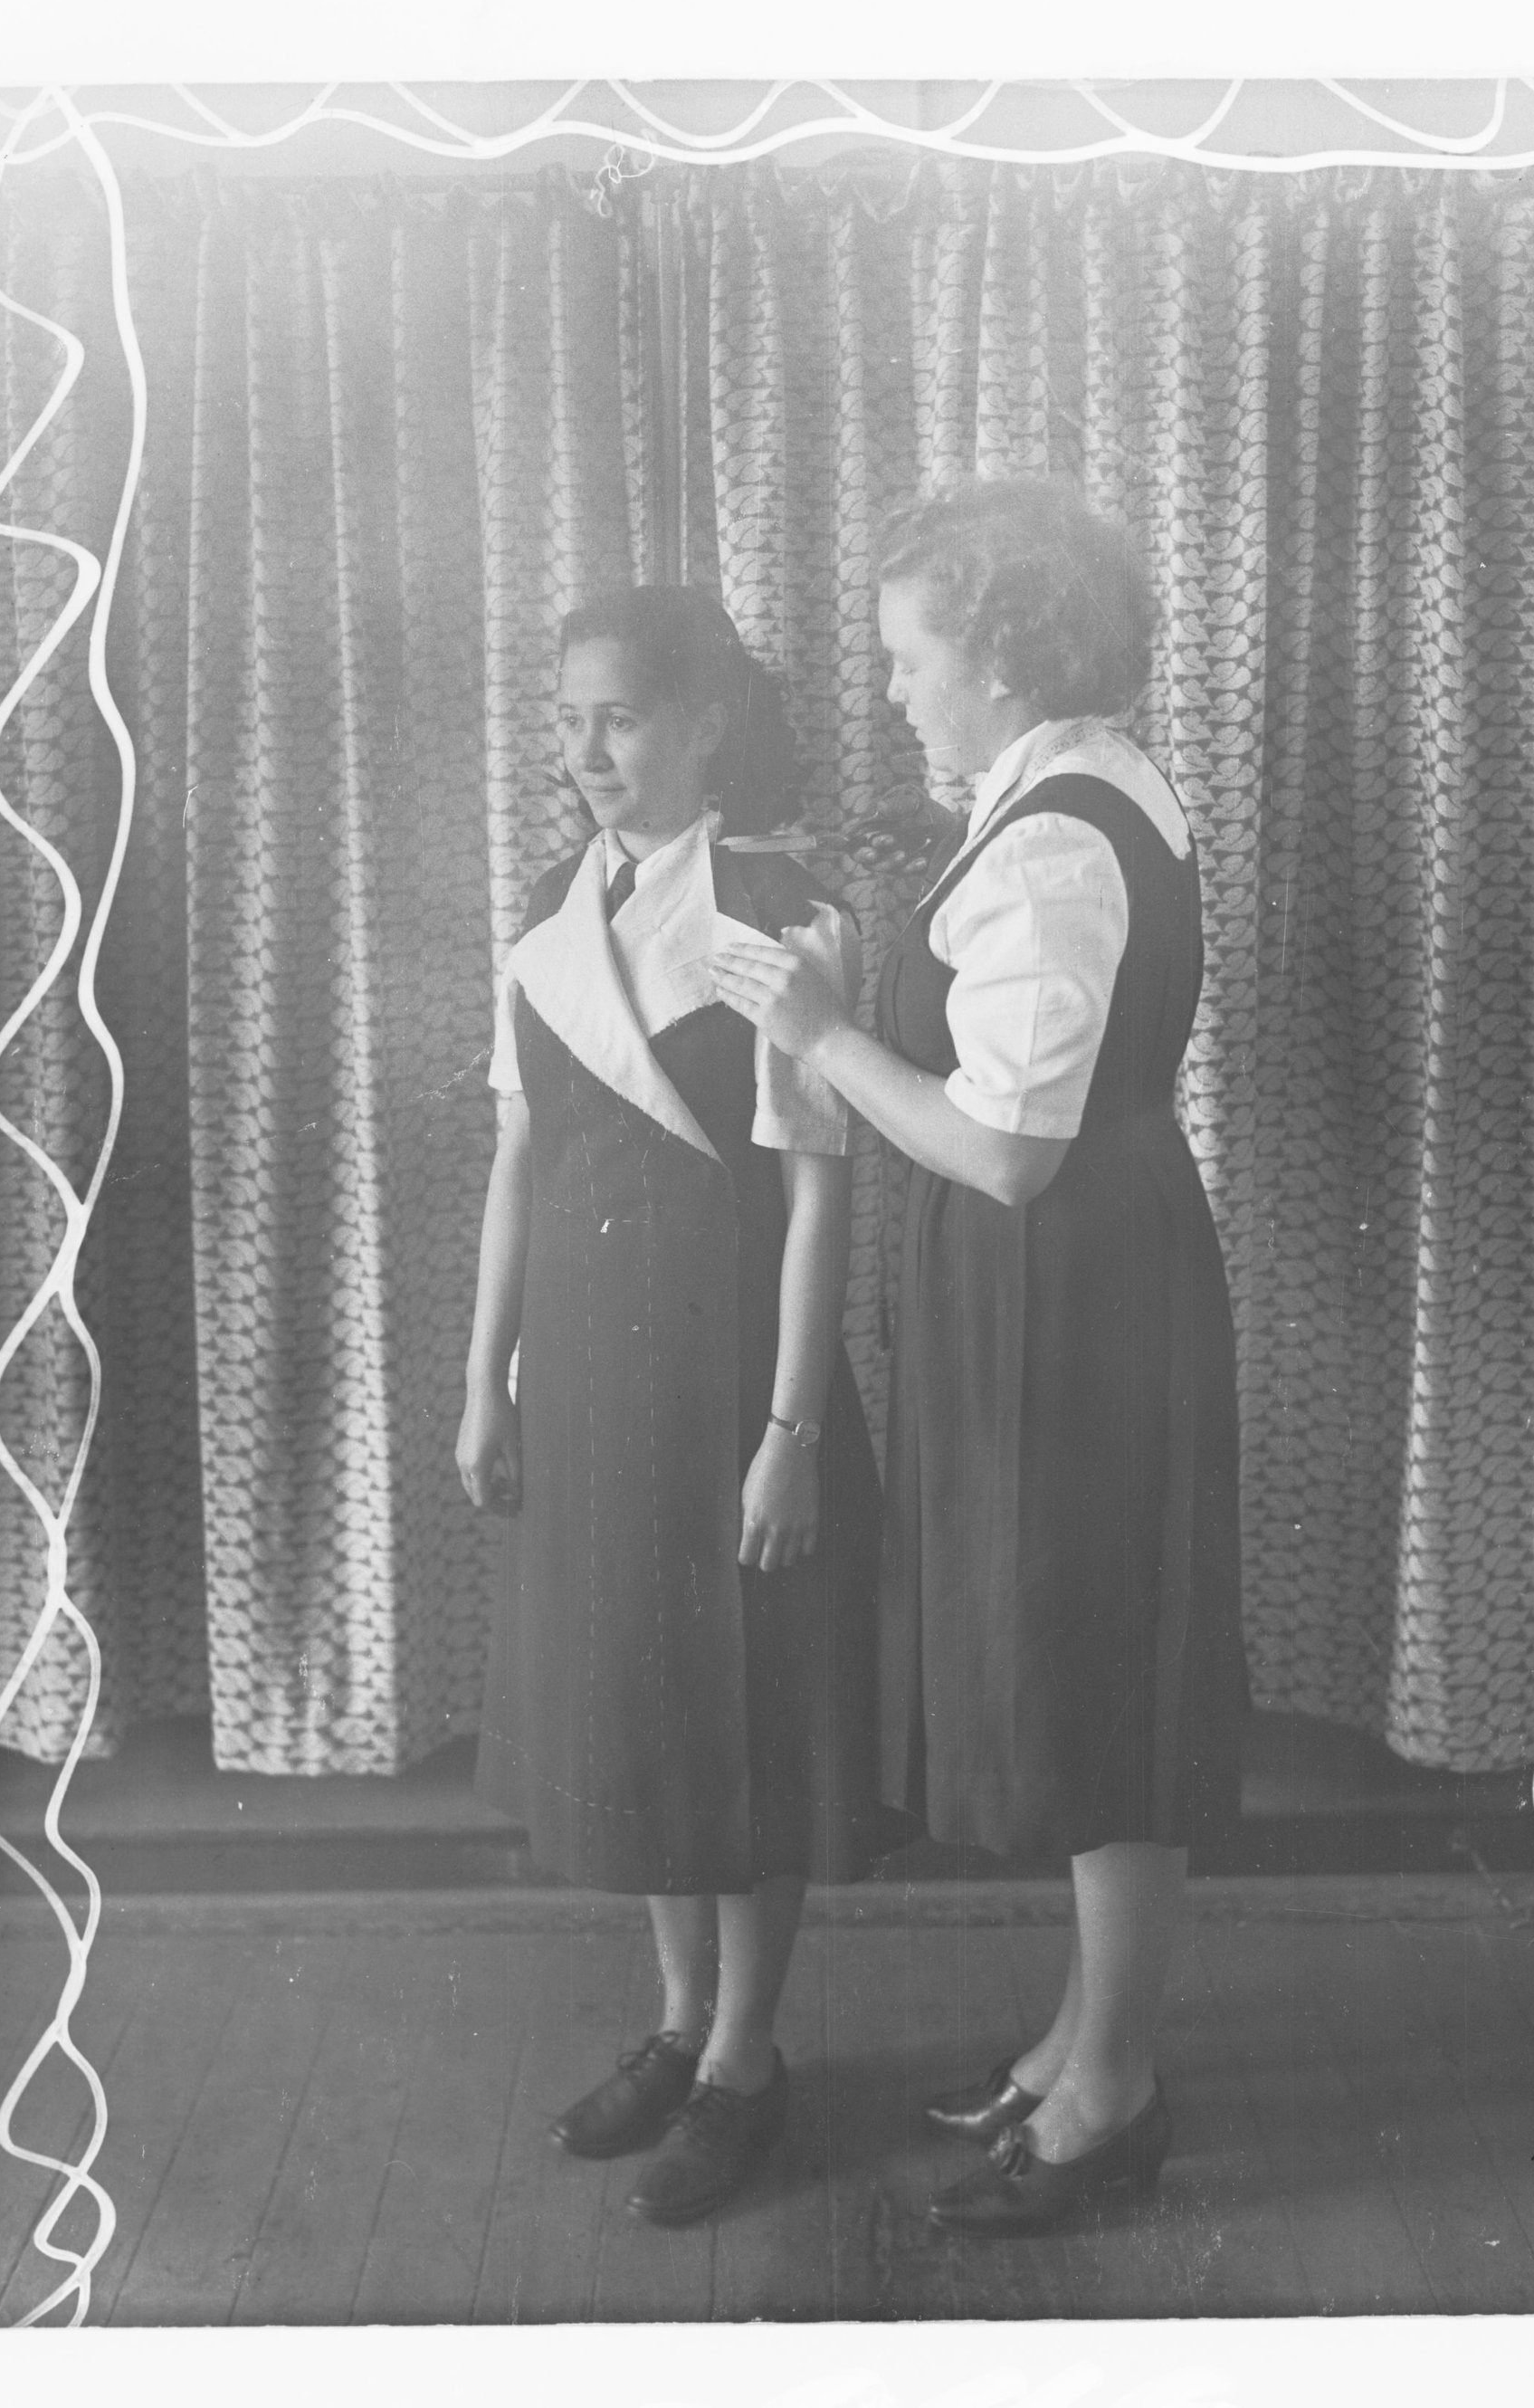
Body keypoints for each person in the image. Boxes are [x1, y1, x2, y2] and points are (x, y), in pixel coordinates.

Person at [713, 478, 1243, 2238]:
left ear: (1002, 661)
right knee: (1090, 1655)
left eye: (910, 656)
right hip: (1077, 1279)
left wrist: (824, 1030)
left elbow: (1011, 1146)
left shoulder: (1053, 836)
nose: (892, 690)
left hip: (1065, 1291)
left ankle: (1114, 2089)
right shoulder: (1068, 790)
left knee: (1096, 1668)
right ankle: (1082, 2037)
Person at [457, 586, 881, 2228]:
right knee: (634, 1702)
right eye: (568, 720)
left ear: (703, 720)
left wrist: (791, 1431)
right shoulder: (550, 928)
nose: (586, 753)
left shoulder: (781, 915)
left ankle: (745, 2059)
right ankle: (675, 2017)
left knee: (747, 1712)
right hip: (583, 1378)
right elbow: (519, 1165)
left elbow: (816, 1197)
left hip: (729, 1386)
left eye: (619, 715)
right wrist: (486, 1377)